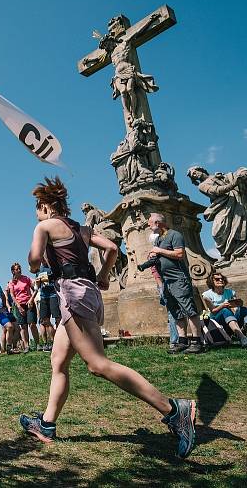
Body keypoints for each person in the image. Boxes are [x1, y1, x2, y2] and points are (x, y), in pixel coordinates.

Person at [18, 177, 197, 459]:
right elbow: (113, 248)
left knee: (97, 365)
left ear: (46, 206)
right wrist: (102, 275)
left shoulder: (44, 226)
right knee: (59, 360)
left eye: (38, 208)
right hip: (88, 292)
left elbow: (34, 261)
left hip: (72, 295)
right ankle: (47, 424)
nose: (36, 214)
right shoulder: (83, 229)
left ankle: (175, 410)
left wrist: (35, 259)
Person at [145, 213, 205, 354]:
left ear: (158, 223)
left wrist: (159, 251)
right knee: (175, 311)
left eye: (150, 223)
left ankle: (197, 342)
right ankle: (182, 341)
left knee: (189, 309)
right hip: (166, 281)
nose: (148, 225)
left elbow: (179, 254)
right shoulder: (159, 239)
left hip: (178, 278)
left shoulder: (174, 235)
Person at [201, 273, 247, 346]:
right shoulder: (207, 295)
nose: (221, 280)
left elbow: (235, 307)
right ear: (211, 281)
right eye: (217, 279)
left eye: (222, 278)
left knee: (243, 309)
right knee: (225, 310)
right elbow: (213, 311)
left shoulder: (230, 292)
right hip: (218, 321)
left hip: (232, 317)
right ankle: (242, 337)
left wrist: (238, 304)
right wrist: (222, 306)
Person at [8, 263, 38, 352]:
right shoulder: (11, 282)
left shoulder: (26, 279)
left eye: (20, 268)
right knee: (23, 326)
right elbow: (12, 295)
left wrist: (31, 299)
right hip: (19, 305)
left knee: (32, 324)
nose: (19, 270)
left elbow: (35, 289)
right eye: (17, 269)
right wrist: (18, 306)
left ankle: (38, 344)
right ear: (13, 271)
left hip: (29, 303)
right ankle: (26, 346)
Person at [34, 270, 59, 352]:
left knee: (57, 318)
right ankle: (53, 342)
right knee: (44, 320)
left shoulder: (51, 267)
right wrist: (37, 283)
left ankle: (60, 341)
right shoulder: (39, 270)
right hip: (43, 296)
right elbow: (36, 287)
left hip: (53, 294)